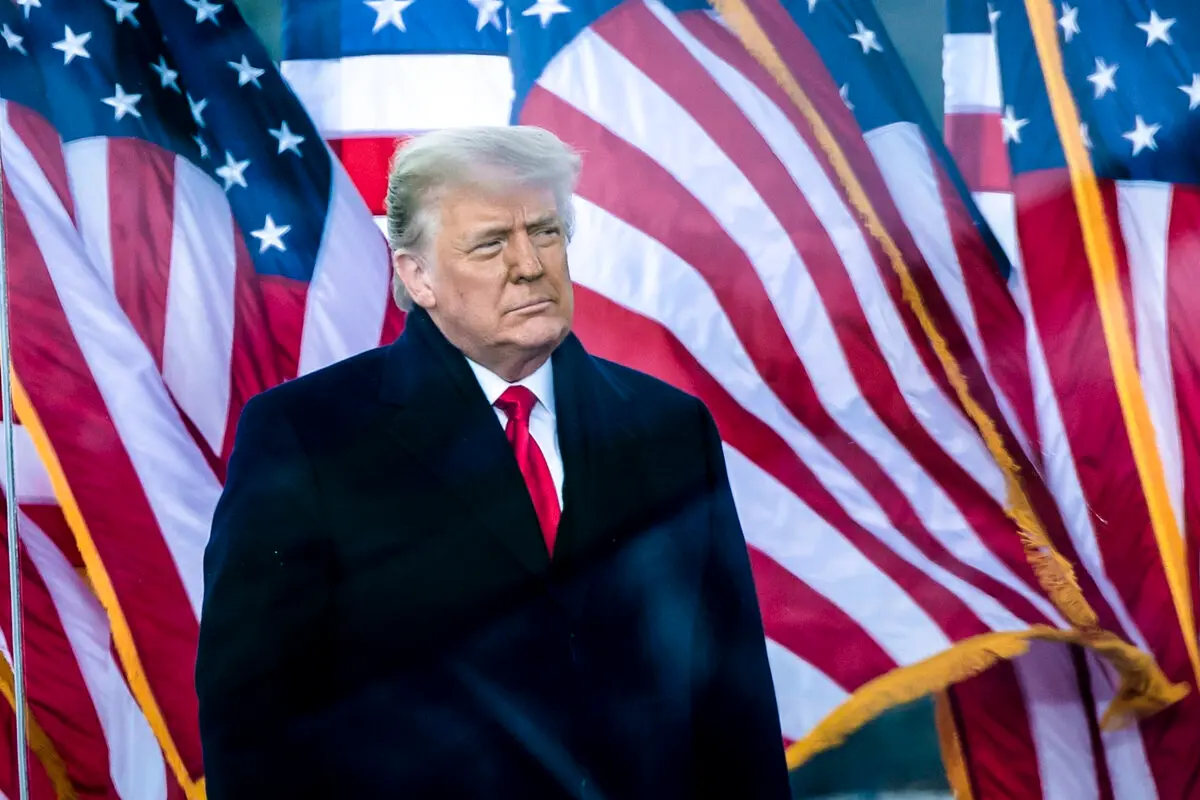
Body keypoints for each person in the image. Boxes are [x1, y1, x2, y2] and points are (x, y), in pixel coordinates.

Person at [196, 125, 790, 798]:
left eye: (544, 232)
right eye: (489, 243)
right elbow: (253, 722)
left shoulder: (671, 430)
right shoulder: (307, 433)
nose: (529, 264)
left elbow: (733, 706)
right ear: (417, 275)